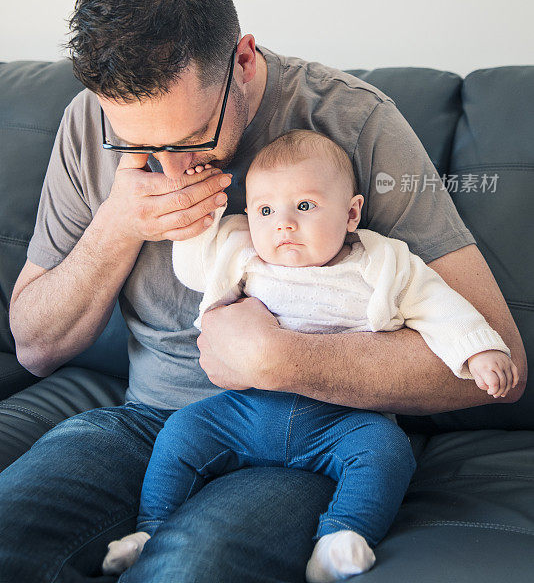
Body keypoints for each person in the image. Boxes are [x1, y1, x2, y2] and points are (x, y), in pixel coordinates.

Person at [3, 0, 526, 583]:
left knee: (190, 568)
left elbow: (498, 362)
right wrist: (118, 224)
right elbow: (33, 346)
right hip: (149, 420)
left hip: (307, 441)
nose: (167, 169)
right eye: (137, 146)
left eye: (189, 139)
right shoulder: (88, 122)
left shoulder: (354, 121)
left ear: (244, 61)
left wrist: (282, 360)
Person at [102, 130, 517, 581]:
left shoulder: (381, 264)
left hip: (341, 418)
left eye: (304, 206)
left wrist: (478, 350)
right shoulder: (244, 253)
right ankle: (149, 530)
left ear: (351, 213)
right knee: (182, 432)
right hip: (247, 411)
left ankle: (343, 536)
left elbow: (437, 305)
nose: (283, 224)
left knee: (387, 450)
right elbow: (192, 265)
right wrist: (209, 213)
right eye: (265, 210)